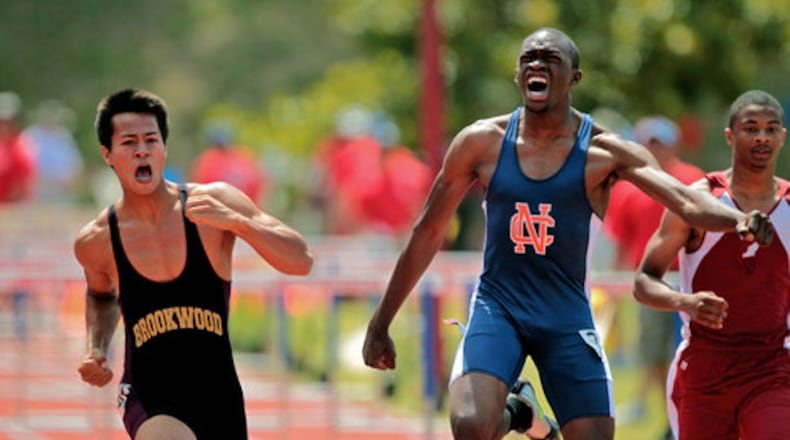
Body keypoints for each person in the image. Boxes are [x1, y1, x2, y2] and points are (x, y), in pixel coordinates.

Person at [361, 27, 773, 440]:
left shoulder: (605, 152)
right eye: (528, 59)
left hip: (565, 313)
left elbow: (684, 200)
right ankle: (519, 413)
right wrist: (381, 321)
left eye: (550, 59)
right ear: (519, 75)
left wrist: (736, 218)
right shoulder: (480, 143)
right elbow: (427, 233)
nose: (537, 64)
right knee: (470, 425)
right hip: (498, 305)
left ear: (574, 78)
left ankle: (530, 416)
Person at [74, 89, 313, 440]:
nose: (142, 150)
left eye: (151, 140)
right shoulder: (97, 239)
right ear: (107, 154)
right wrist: (96, 348)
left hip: (219, 396)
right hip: (148, 395)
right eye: (129, 142)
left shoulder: (214, 204)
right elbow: (101, 295)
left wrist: (237, 222)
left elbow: (300, 261)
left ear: (164, 148)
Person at [633, 90, 789, 440]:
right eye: (750, 128)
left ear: (782, 137)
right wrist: (683, 302)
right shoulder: (695, 200)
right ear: (730, 136)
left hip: (772, 366)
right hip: (704, 370)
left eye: (770, 128)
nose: (761, 136)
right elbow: (643, 281)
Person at [604, 116, 704, 438]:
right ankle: (669, 420)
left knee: (693, 354)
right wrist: (616, 290)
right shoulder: (628, 189)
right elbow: (621, 242)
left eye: (658, 142)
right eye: (647, 143)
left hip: (689, 281)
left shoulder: (693, 180)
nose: (653, 149)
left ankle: (687, 417)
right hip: (651, 283)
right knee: (655, 354)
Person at [191, 119, 266, 206]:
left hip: (235, 209)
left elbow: (257, 181)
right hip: (224, 209)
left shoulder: (243, 157)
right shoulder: (207, 160)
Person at [23, 99, 84, 203]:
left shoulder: (64, 136)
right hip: (38, 193)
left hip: (61, 193)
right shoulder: (32, 135)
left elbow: (75, 165)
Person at [0, 91, 36, 204]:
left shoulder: (21, 148)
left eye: (8, 122)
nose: (4, 126)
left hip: (10, 211)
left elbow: (22, 187)